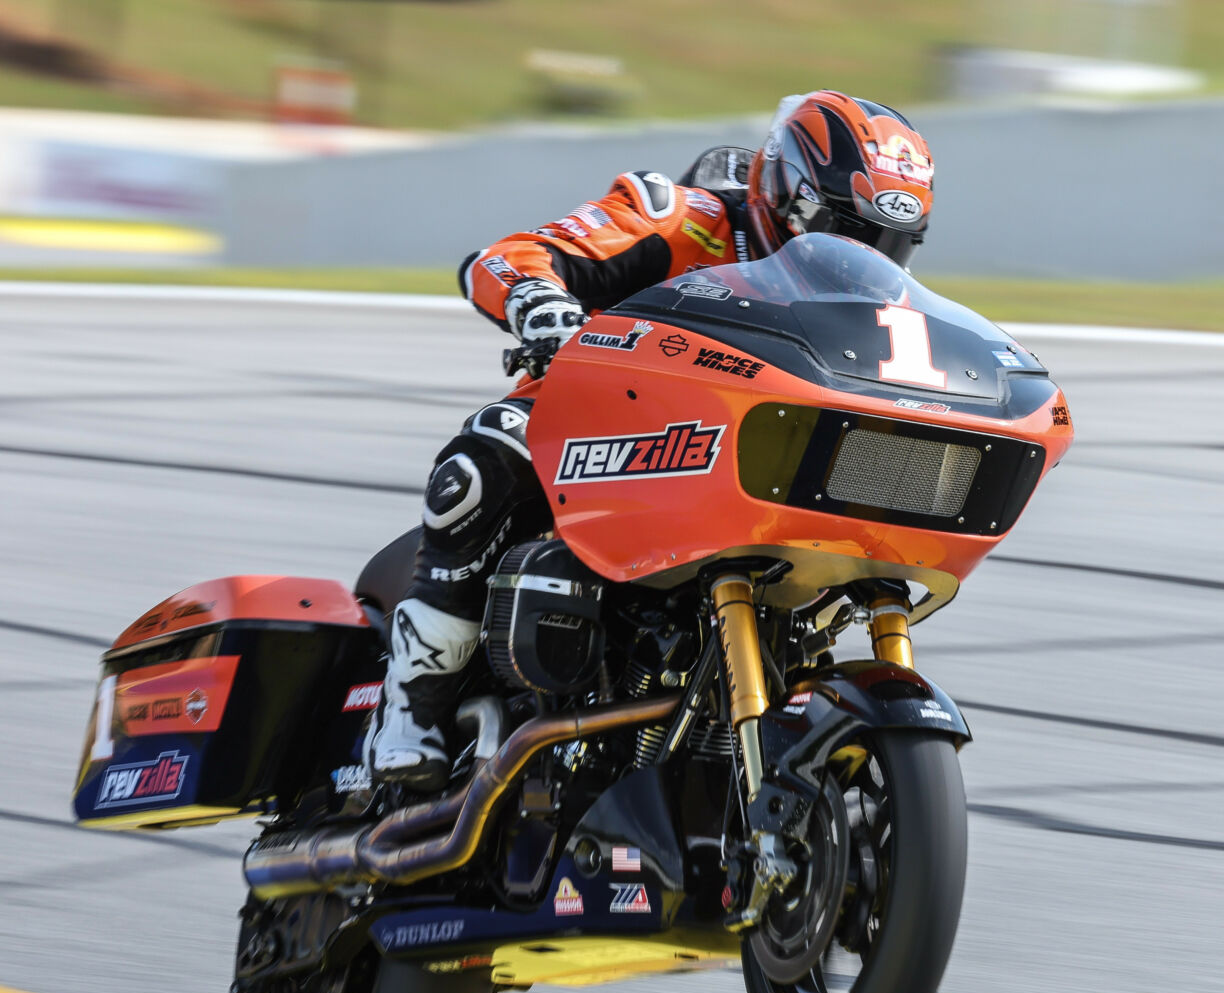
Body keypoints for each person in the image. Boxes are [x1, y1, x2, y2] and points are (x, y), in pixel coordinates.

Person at [367, 90, 938, 790]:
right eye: (843, 229)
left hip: (748, 467)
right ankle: (408, 710)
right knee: (486, 460)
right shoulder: (681, 217)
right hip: (610, 429)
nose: (864, 256)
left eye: (888, 243)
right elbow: (511, 257)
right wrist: (542, 301)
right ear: (785, 192)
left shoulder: (882, 305)